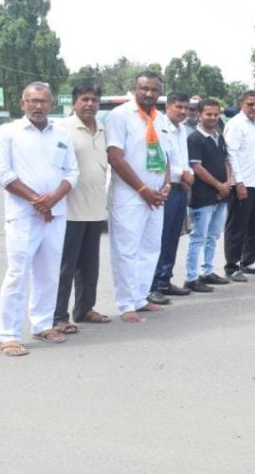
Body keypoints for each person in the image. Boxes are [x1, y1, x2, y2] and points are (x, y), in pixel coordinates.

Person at [0, 82, 78, 356]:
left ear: (51, 105)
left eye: (43, 101)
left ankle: (42, 325)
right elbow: (2, 173)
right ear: (22, 104)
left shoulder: (61, 134)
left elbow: (72, 172)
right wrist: (37, 201)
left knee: (48, 272)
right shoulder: (8, 132)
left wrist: (53, 199)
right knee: (17, 274)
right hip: (23, 216)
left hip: (55, 215)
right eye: (32, 100)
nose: (38, 106)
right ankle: (7, 335)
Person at [106, 72, 171, 323]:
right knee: (126, 251)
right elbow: (115, 158)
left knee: (150, 248)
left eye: (154, 90)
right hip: (130, 195)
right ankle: (126, 304)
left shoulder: (161, 119)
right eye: (144, 88)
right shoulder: (119, 116)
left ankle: (140, 297)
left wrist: (166, 184)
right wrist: (143, 190)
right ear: (135, 89)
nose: (149, 93)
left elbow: (165, 156)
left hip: (156, 195)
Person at [53, 83, 110, 333]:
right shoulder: (62, 129)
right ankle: (58, 316)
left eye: (94, 100)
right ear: (75, 102)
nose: (89, 104)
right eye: (84, 99)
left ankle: (85, 309)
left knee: (90, 265)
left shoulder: (103, 128)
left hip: (96, 208)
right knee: (66, 267)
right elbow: (54, 167)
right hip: (70, 210)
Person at [149, 91, 194, 303]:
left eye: (186, 108)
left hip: (181, 188)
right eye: (179, 107)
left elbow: (183, 158)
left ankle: (165, 280)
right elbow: (161, 158)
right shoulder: (159, 126)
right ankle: (152, 285)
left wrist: (188, 174)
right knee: (160, 237)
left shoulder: (182, 129)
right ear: (168, 107)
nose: (183, 111)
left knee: (173, 237)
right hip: (165, 187)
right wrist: (181, 174)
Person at [183, 99, 232, 293]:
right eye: (208, 114)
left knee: (213, 236)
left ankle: (207, 271)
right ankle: (191, 277)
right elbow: (197, 167)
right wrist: (218, 185)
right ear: (199, 115)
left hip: (222, 194)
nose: (212, 117)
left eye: (215, 114)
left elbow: (226, 161)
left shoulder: (219, 137)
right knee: (198, 237)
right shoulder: (194, 139)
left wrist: (227, 183)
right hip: (202, 196)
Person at [223, 90, 255, 280]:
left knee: (253, 225)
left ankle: (248, 261)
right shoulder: (235, 124)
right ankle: (232, 266)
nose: (254, 108)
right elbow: (231, 154)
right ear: (241, 104)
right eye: (250, 104)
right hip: (242, 183)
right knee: (237, 227)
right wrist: (239, 182)